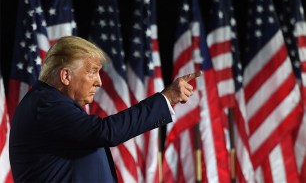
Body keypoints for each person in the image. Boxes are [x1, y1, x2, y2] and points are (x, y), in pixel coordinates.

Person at [9, 36, 201, 182]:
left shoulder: (50, 103)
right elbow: (105, 132)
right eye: (92, 72)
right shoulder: (46, 105)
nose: (99, 82)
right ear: (66, 76)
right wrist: (166, 98)